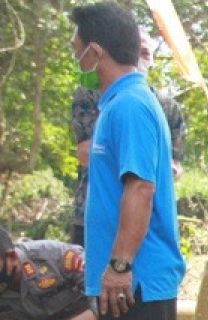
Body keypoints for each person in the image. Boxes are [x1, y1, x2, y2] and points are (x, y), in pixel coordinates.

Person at [69, 2, 187, 320]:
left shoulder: (135, 105)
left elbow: (140, 189)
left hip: (140, 274)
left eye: (77, 45)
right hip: (113, 275)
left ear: (94, 50)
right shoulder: (113, 104)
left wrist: (120, 265)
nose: (74, 53)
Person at [69, 29, 185, 247]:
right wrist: (136, 156)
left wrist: (158, 169)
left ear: (153, 60)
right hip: (94, 215)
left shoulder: (168, 107)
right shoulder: (91, 95)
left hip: (148, 219)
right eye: (136, 51)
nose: (141, 58)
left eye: (146, 53)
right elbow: (85, 152)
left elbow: (175, 165)